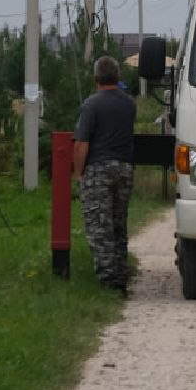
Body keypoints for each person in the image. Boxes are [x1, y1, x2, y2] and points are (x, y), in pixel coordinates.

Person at [74, 54, 137, 294]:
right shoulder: (129, 104)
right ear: (117, 75)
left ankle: (109, 281)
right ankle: (121, 272)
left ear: (96, 77)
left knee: (100, 226)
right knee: (118, 223)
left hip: (98, 169)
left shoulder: (91, 105)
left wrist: (78, 173)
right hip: (124, 168)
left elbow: (82, 144)